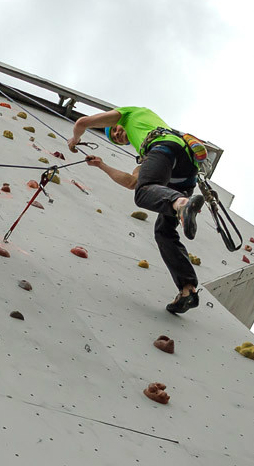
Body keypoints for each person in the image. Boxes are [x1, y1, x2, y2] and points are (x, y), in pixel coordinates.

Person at [68, 107, 204, 315]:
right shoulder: (146, 154)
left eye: (115, 130)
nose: (117, 134)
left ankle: (181, 204)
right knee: (164, 232)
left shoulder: (130, 114)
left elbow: (82, 123)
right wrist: (102, 166)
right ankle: (188, 290)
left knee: (144, 194)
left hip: (166, 150)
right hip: (185, 172)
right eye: (115, 138)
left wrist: (74, 140)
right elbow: (132, 182)